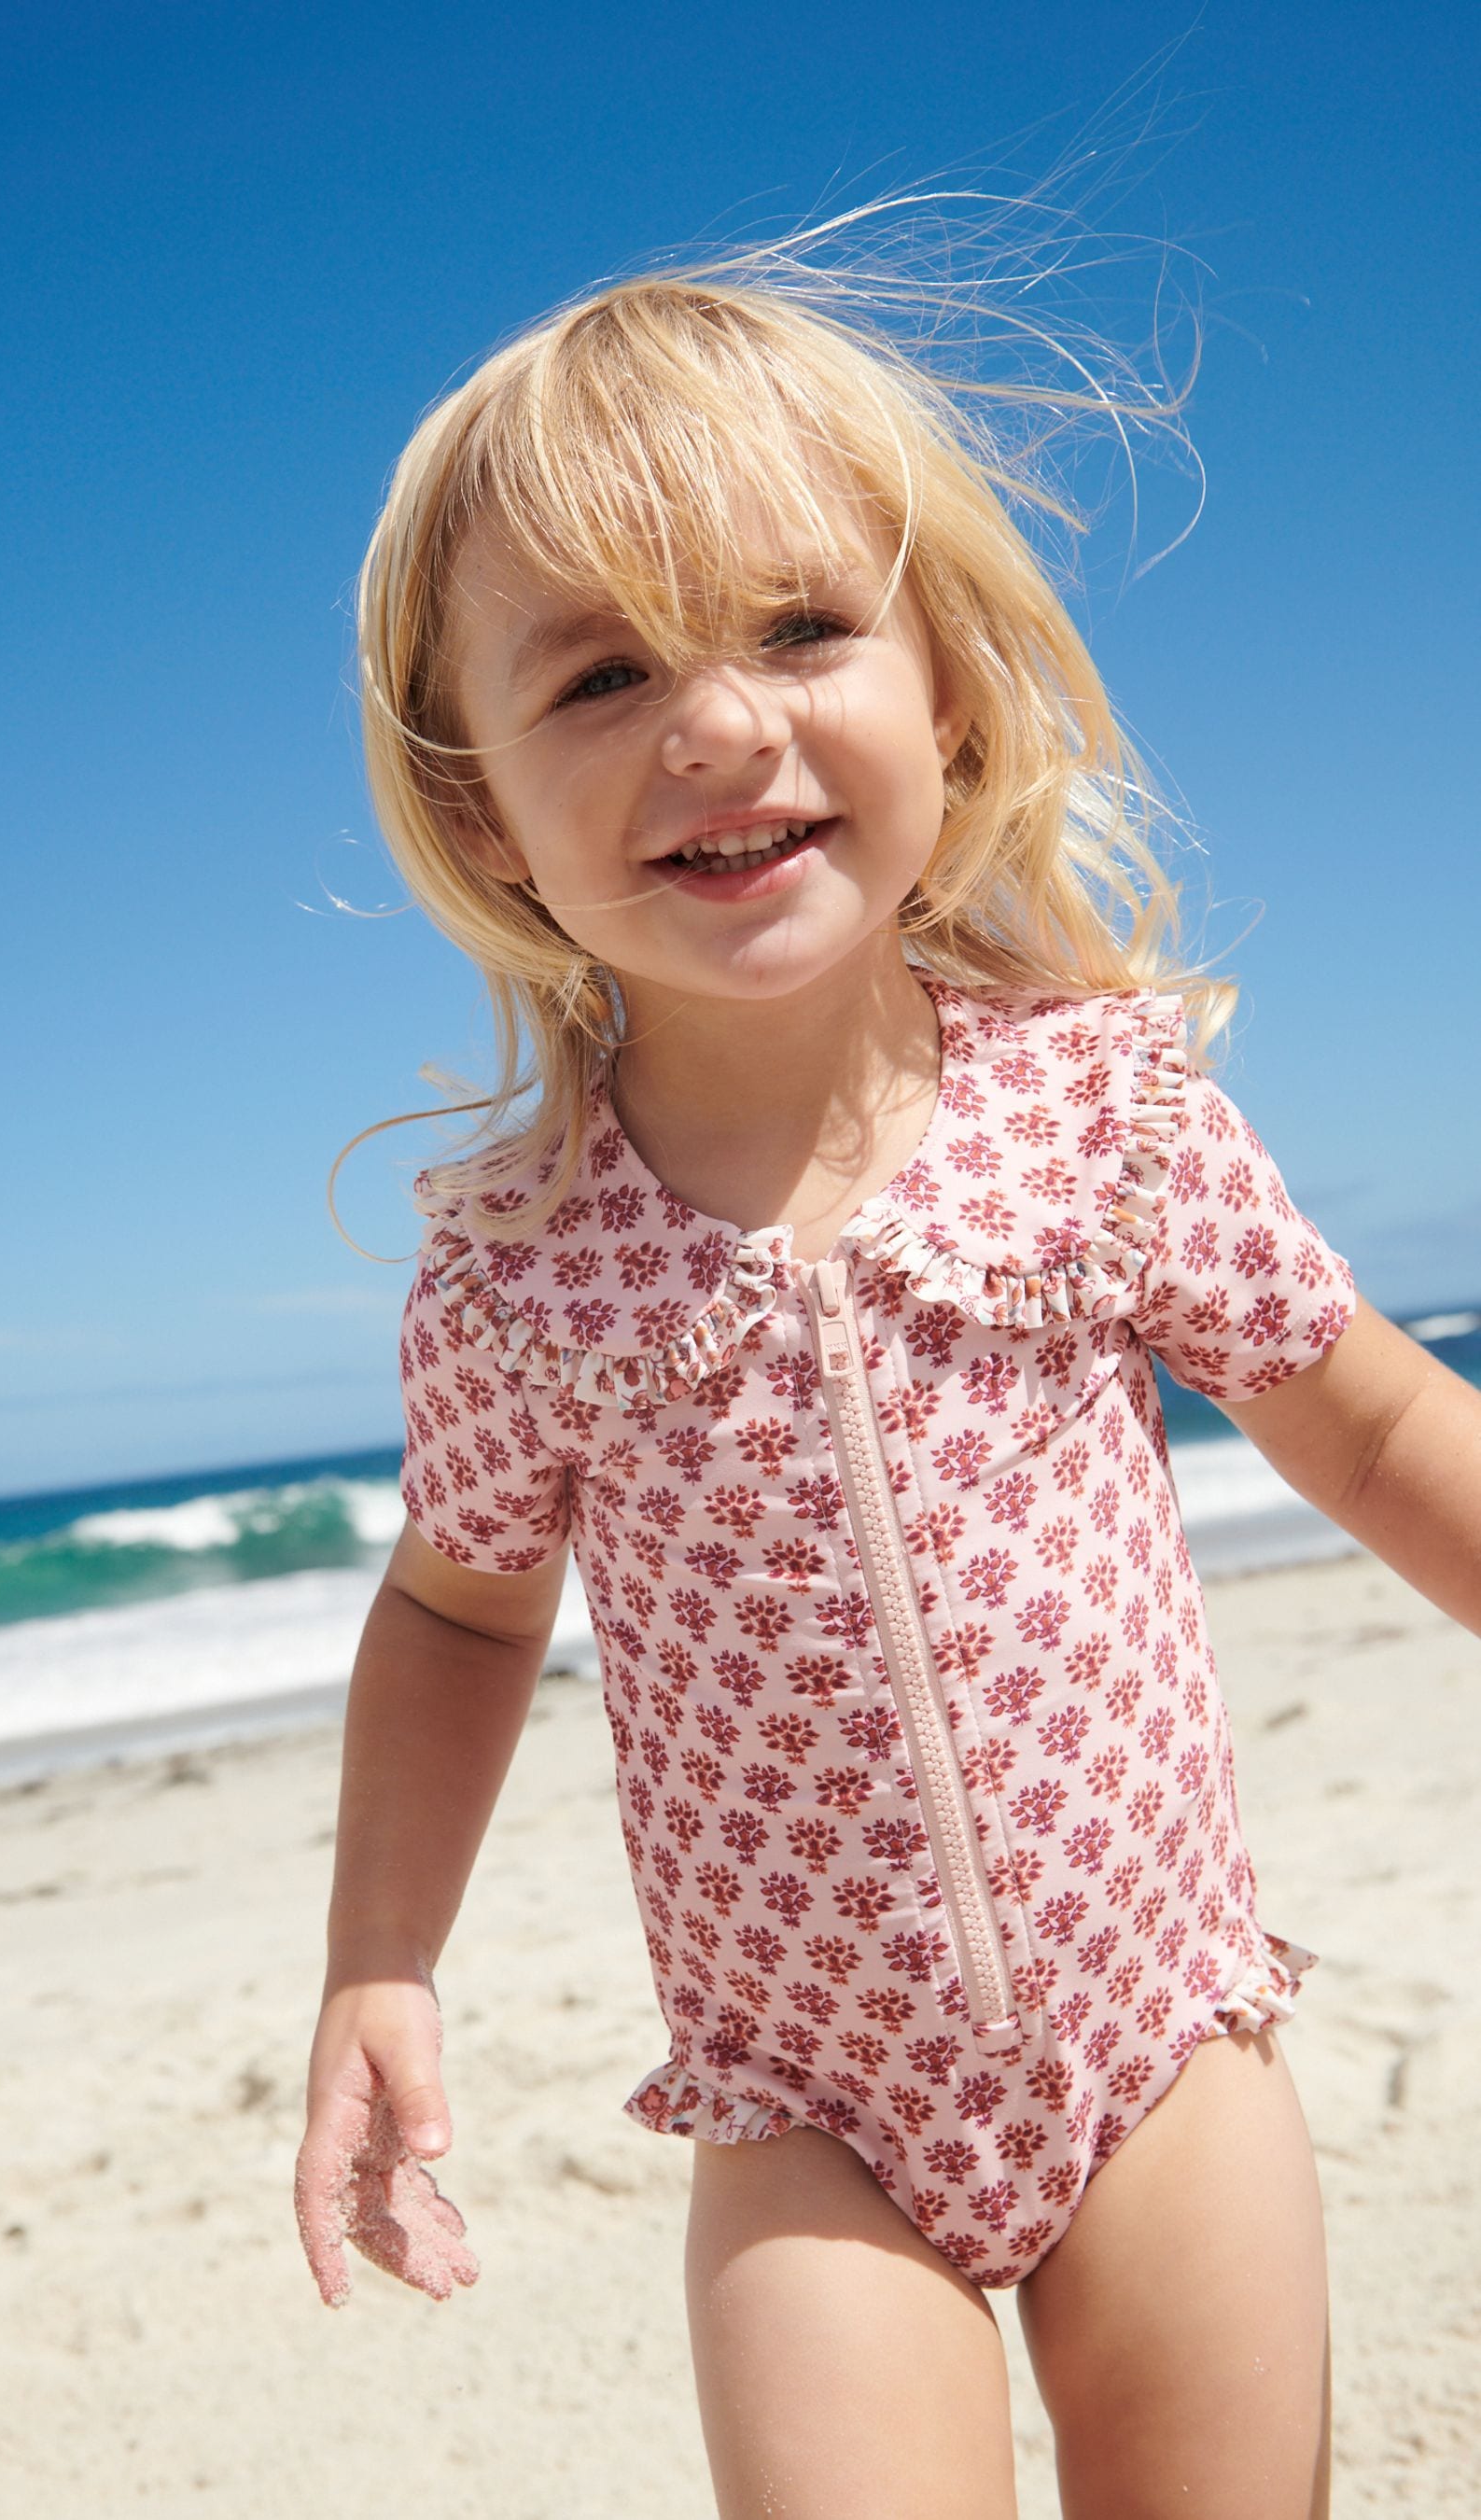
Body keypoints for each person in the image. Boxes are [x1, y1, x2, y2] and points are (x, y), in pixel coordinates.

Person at [292, 246, 1481, 2518]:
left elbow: (1376, 1419)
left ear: (947, 693)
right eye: (607, 671)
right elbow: (455, 1612)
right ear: (481, 818)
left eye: (801, 628)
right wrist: (378, 1962)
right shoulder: (526, 1275)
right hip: (807, 2118)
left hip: (1159, 2038)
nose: (718, 724)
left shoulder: (1099, 1116)